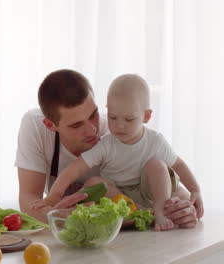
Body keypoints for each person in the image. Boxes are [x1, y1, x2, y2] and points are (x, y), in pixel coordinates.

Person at [16, 69, 199, 228]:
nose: (92, 130)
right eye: (76, 125)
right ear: (50, 125)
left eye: (94, 114)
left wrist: (184, 206)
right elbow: (29, 198)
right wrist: (56, 216)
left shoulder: (117, 131)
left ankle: (146, 215)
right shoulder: (35, 126)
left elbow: (165, 179)